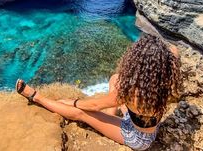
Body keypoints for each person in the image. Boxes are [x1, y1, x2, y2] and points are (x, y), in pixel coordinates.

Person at [16, 34, 182, 150]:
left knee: (81, 113)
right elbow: (174, 50)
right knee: (116, 78)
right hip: (145, 126)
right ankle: (112, 118)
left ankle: (36, 97)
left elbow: (94, 105)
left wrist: (73, 102)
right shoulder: (164, 79)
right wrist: (161, 53)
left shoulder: (132, 93)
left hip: (136, 138)